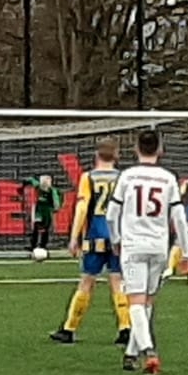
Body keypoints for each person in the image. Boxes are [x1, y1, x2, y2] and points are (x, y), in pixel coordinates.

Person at [107, 129, 188, 374]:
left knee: (135, 300)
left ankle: (148, 350)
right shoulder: (168, 178)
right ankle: (131, 353)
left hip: (133, 244)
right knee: (147, 301)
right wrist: (186, 252)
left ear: (136, 149)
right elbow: (179, 218)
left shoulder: (127, 176)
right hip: (158, 246)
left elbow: (111, 214)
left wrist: (116, 239)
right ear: (160, 150)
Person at [50, 138, 131, 346]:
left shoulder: (89, 177)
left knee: (86, 281)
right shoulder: (123, 178)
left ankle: (69, 329)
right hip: (117, 237)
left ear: (96, 154)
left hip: (95, 236)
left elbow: (82, 207)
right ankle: (125, 328)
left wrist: (74, 236)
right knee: (118, 282)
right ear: (117, 155)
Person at [22, 173, 64, 253]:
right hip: (39, 210)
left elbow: (57, 200)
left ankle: (42, 245)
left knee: (45, 229)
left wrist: (56, 207)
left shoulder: (52, 190)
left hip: (47, 211)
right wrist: (26, 181)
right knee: (36, 227)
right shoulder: (39, 187)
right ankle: (34, 245)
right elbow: (32, 181)